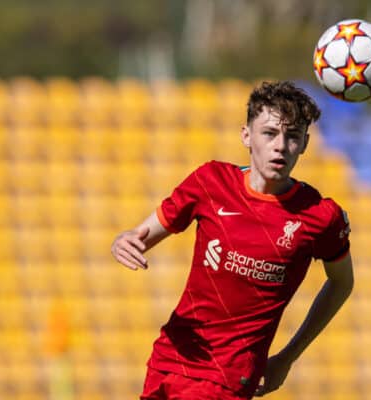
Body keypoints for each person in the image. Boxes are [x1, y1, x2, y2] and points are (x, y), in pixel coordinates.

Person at [111, 80, 354, 400]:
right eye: (269, 133)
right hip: (170, 358)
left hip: (228, 377)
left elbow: (341, 283)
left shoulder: (319, 216)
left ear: (305, 144)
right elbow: (141, 236)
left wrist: (287, 357)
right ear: (246, 136)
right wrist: (123, 241)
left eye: (292, 136)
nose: (280, 146)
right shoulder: (210, 182)